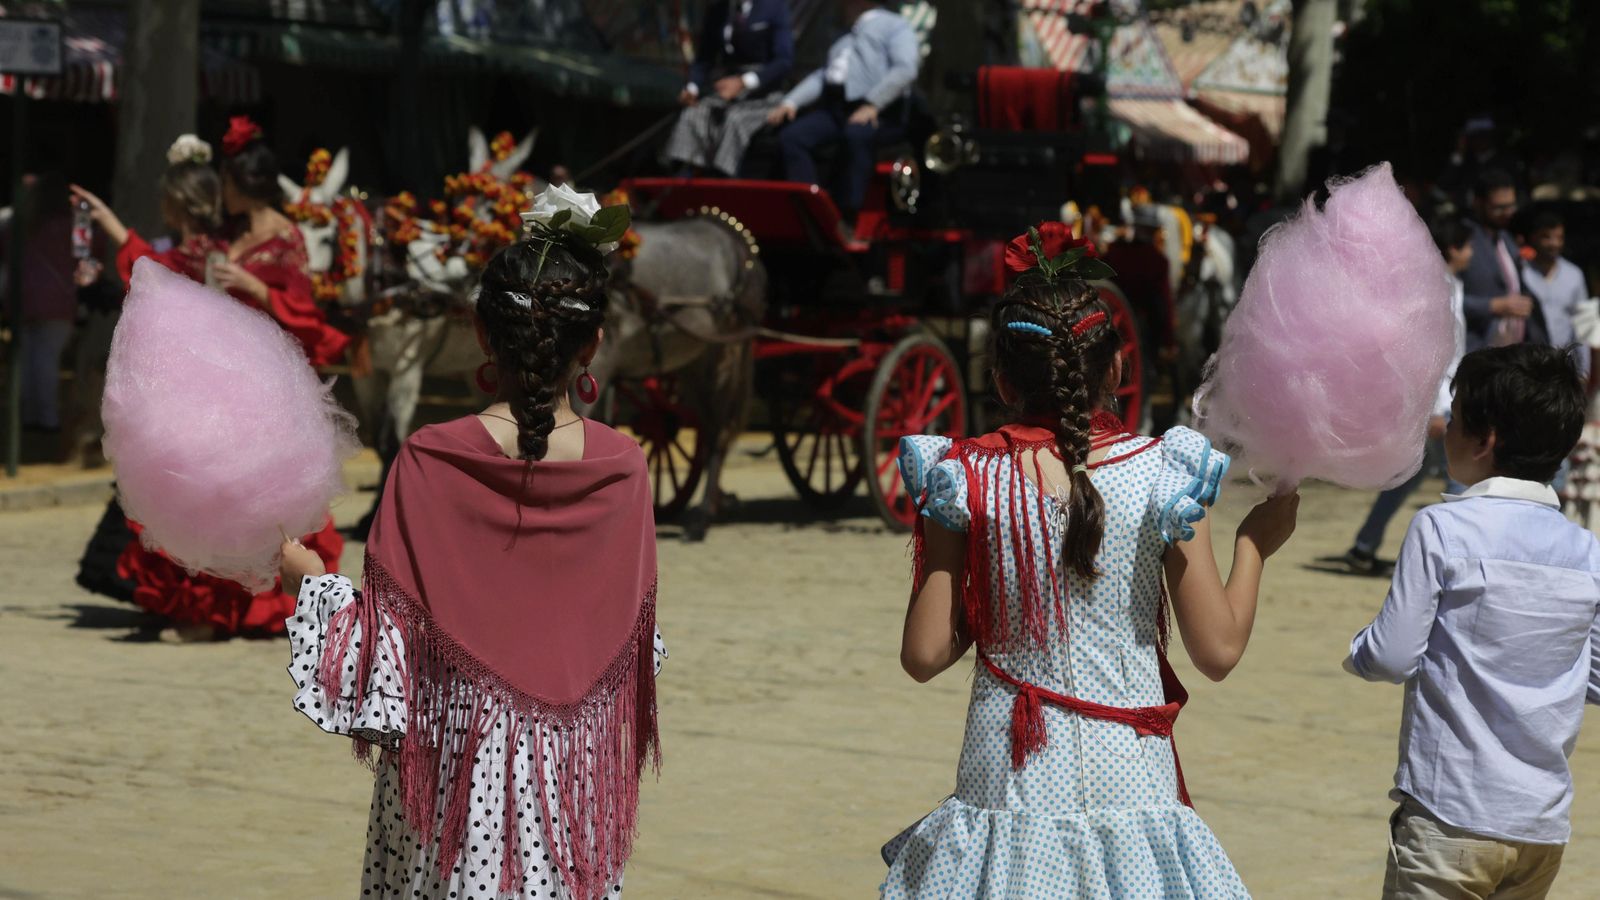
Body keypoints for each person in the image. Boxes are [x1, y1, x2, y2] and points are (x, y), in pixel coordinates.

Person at [880, 229, 1299, 897]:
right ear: (1116, 370)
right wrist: (1254, 545)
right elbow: (1217, 650)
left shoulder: (962, 476)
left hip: (1007, 779)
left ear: (1000, 378)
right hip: (1131, 778)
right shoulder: (1166, 475)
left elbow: (925, 653)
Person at [279, 200, 663, 900]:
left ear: (482, 334)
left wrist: (311, 581)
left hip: (455, 787)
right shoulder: (625, 469)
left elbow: (383, 658)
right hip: (571, 796)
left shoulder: (429, 459)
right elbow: (623, 653)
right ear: (594, 343)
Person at [1344, 343, 1598, 900]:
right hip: (1540, 827)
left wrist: (1358, 648)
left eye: (1454, 419)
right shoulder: (1586, 551)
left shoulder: (1441, 528)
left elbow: (1389, 656)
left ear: (1485, 441)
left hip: (1449, 815)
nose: (1444, 432)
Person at [94, 123, 344, 639]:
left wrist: (258, 288)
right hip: (212, 386)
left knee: (266, 503)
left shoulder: (286, 240)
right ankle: (206, 614)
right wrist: (121, 237)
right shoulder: (222, 237)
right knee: (206, 497)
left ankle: (283, 606)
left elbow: (308, 318)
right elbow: (170, 278)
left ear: (240, 183)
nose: (218, 191)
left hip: (266, 392)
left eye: (224, 181)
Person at [1341, 216, 1472, 574]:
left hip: (1446, 396)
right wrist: (1434, 408)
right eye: (1468, 246)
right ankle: (1457, 559)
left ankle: (1365, 545)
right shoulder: (1434, 289)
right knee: (1459, 477)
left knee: (1411, 477)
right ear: (1454, 249)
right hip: (1439, 402)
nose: (1472, 253)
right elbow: (1428, 352)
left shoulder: (1450, 285)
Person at [768, 0, 919, 226]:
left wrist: (873, 103)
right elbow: (824, 75)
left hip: (878, 110)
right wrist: (791, 102)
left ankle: (849, 214)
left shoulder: (894, 26)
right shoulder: (842, 34)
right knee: (793, 137)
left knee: (856, 135)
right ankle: (811, 206)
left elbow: (905, 69)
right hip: (837, 108)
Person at [71, 134, 226, 288]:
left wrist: (103, 214)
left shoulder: (177, 264)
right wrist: (103, 214)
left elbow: (147, 265)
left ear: (175, 203)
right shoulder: (225, 250)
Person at [662, 0, 794, 177]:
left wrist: (744, 82)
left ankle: (722, 182)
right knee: (692, 115)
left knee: (735, 120)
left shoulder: (774, 7)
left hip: (764, 90)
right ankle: (681, 180)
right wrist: (692, 88)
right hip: (726, 87)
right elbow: (704, 59)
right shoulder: (718, 10)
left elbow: (783, 61)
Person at [1461, 169, 1545, 350]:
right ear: (1478, 203)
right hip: (1476, 349)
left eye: (1511, 206)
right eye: (1499, 207)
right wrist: (1493, 306)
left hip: (1510, 350)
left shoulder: (1506, 239)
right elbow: (1444, 299)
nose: (1508, 213)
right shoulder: (1462, 241)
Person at [1522, 210, 1590, 376]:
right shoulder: (1522, 272)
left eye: (1559, 237)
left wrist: (1584, 371)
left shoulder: (1574, 275)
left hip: (1563, 367)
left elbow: (1582, 325)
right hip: (1527, 365)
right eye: (1547, 237)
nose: (1554, 243)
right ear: (1533, 238)